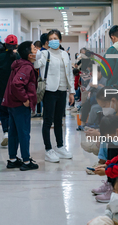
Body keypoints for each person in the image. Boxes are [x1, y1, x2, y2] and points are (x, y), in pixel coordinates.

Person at [34, 29, 75, 163]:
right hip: (49, 90)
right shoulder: (44, 54)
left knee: (59, 120)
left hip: (62, 90)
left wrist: (72, 92)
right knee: (47, 120)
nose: (53, 41)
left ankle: (60, 146)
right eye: (50, 39)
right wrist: (38, 53)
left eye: (55, 38)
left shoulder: (64, 54)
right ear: (47, 42)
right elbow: (36, 65)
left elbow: (69, 73)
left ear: (60, 40)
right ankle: (48, 149)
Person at [2, 41, 39, 171]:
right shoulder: (27, 67)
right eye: (34, 49)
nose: (37, 51)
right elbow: (17, 84)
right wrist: (25, 99)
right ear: (29, 55)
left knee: (13, 132)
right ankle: (26, 161)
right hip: (19, 105)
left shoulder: (19, 64)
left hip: (12, 103)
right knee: (23, 132)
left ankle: (12, 159)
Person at [0, 35, 20, 146]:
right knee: (13, 114)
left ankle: (6, 132)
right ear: (16, 45)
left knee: (3, 113)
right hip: (14, 91)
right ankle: (12, 133)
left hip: (1, 90)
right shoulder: (17, 56)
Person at [78, 66, 107, 130]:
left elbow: (105, 91)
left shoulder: (105, 80)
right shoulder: (93, 79)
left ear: (100, 72)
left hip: (102, 100)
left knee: (94, 108)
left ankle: (91, 124)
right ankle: (83, 123)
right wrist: (90, 85)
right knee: (85, 105)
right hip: (93, 98)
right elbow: (87, 89)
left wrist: (96, 86)